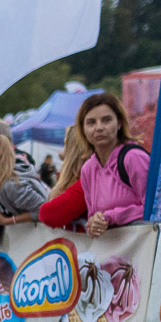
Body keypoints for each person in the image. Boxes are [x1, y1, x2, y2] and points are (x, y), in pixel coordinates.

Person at [37, 91, 146, 237]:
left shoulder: (134, 158)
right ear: (82, 129)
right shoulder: (88, 169)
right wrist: (94, 224)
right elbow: (93, 219)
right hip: (109, 249)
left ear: (119, 123)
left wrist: (111, 217)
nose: (99, 127)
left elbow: (158, 209)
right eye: (91, 122)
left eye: (106, 120)